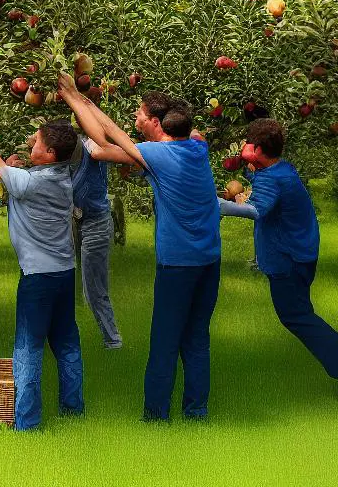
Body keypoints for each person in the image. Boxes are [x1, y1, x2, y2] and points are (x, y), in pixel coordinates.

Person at [60, 82, 221, 421]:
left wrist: (76, 102)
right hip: (209, 260)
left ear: (156, 123)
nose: (135, 115)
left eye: (141, 113)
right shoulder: (196, 147)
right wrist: (85, 102)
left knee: (165, 340)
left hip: (178, 263)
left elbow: (104, 146)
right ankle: (197, 412)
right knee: (196, 339)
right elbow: (119, 138)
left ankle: (156, 415)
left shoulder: (158, 155)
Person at [232, 118, 338, 396]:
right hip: (301, 253)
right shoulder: (281, 170)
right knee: (299, 312)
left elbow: (256, 210)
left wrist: (214, 205)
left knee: (294, 315)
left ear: (256, 149)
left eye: (247, 143)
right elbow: (263, 182)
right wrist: (248, 172)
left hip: (287, 258)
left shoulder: (273, 179)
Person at [0, 116, 83, 431]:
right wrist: (15, 169)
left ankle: (27, 423)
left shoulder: (33, 182)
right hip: (63, 273)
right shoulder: (61, 177)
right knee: (66, 342)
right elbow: (17, 182)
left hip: (38, 278)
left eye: (39, 141)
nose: (34, 141)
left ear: (51, 154)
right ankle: (73, 410)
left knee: (28, 348)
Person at [55, 86, 123, 349]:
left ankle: (113, 340)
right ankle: (59, 339)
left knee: (94, 288)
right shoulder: (63, 153)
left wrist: (74, 98)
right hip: (72, 221)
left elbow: (100, 138)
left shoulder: (93, 147)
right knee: (58, 279)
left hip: (95, 222)